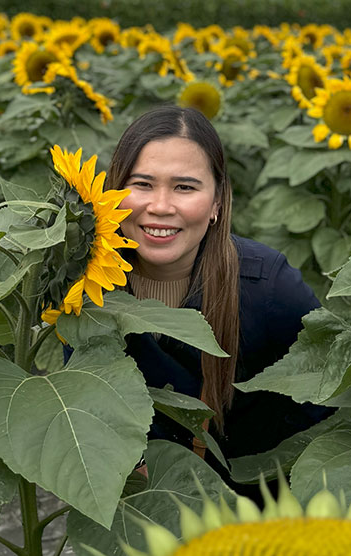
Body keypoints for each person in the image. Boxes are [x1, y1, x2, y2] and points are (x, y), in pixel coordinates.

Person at [104, 105, 333, 470]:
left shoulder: (267, 288)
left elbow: (336, 391)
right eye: (142, 184)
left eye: (184, 187)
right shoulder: (87, 285)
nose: (160, 206)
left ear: (216, 202)